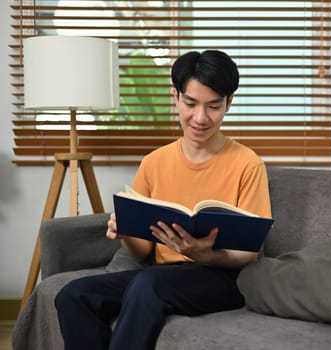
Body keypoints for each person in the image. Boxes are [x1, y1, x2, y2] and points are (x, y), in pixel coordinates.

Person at [54, 50, 272, 350]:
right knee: (73, 295)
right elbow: (143, 252)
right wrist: (126, 231)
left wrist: (203, 254)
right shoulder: (154, 162)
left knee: (149, 284)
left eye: (214, 106)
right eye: (191, 103)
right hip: (162, 275)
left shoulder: (248, 164)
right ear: (176, 96)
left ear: (229, 103)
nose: (200, 118)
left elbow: (247, 254)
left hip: (223, 279)